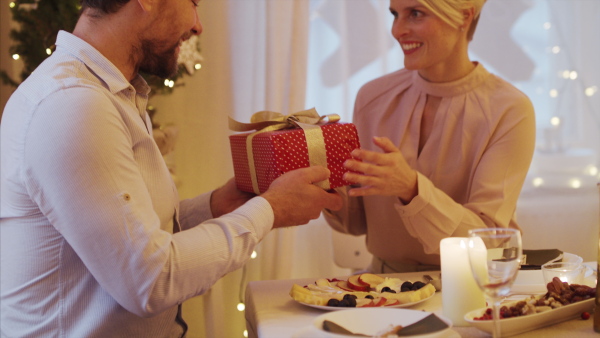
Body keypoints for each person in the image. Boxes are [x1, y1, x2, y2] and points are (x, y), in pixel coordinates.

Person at [0, 0, 343, 337]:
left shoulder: (107, 94)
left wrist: (213, 207)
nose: (197, 24)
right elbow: (147, 281)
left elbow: (130, 241)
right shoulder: (73, 104)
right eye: (193, 2)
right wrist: (270, 209)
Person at [323, 0, 535, 273]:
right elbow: (356, 224)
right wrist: (324, 182)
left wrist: (412, 189)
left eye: (415, 14)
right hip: (380, 289)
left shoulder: (509, 109)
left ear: (464, 16)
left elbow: (487, 240)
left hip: (474, 287)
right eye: (394, 14)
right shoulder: (372, 97)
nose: (397, 30)